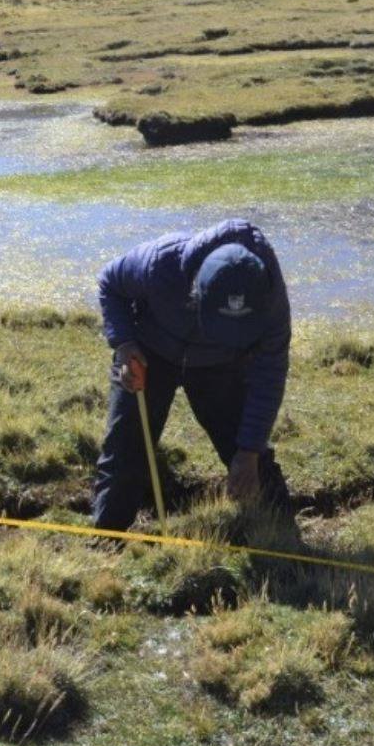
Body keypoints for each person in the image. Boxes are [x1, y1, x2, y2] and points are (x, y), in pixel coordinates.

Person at [92, 219, 294, 532]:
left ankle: (282, 541)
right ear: (195, 292)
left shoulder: (270, 298)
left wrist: (250, 449)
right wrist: (124, 344)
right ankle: (106, 539)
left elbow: (270, 372)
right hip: (150, 352)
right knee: (126, 448)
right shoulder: (161, 263)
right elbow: (110, 284)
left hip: (221, 363)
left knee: (248, 456)